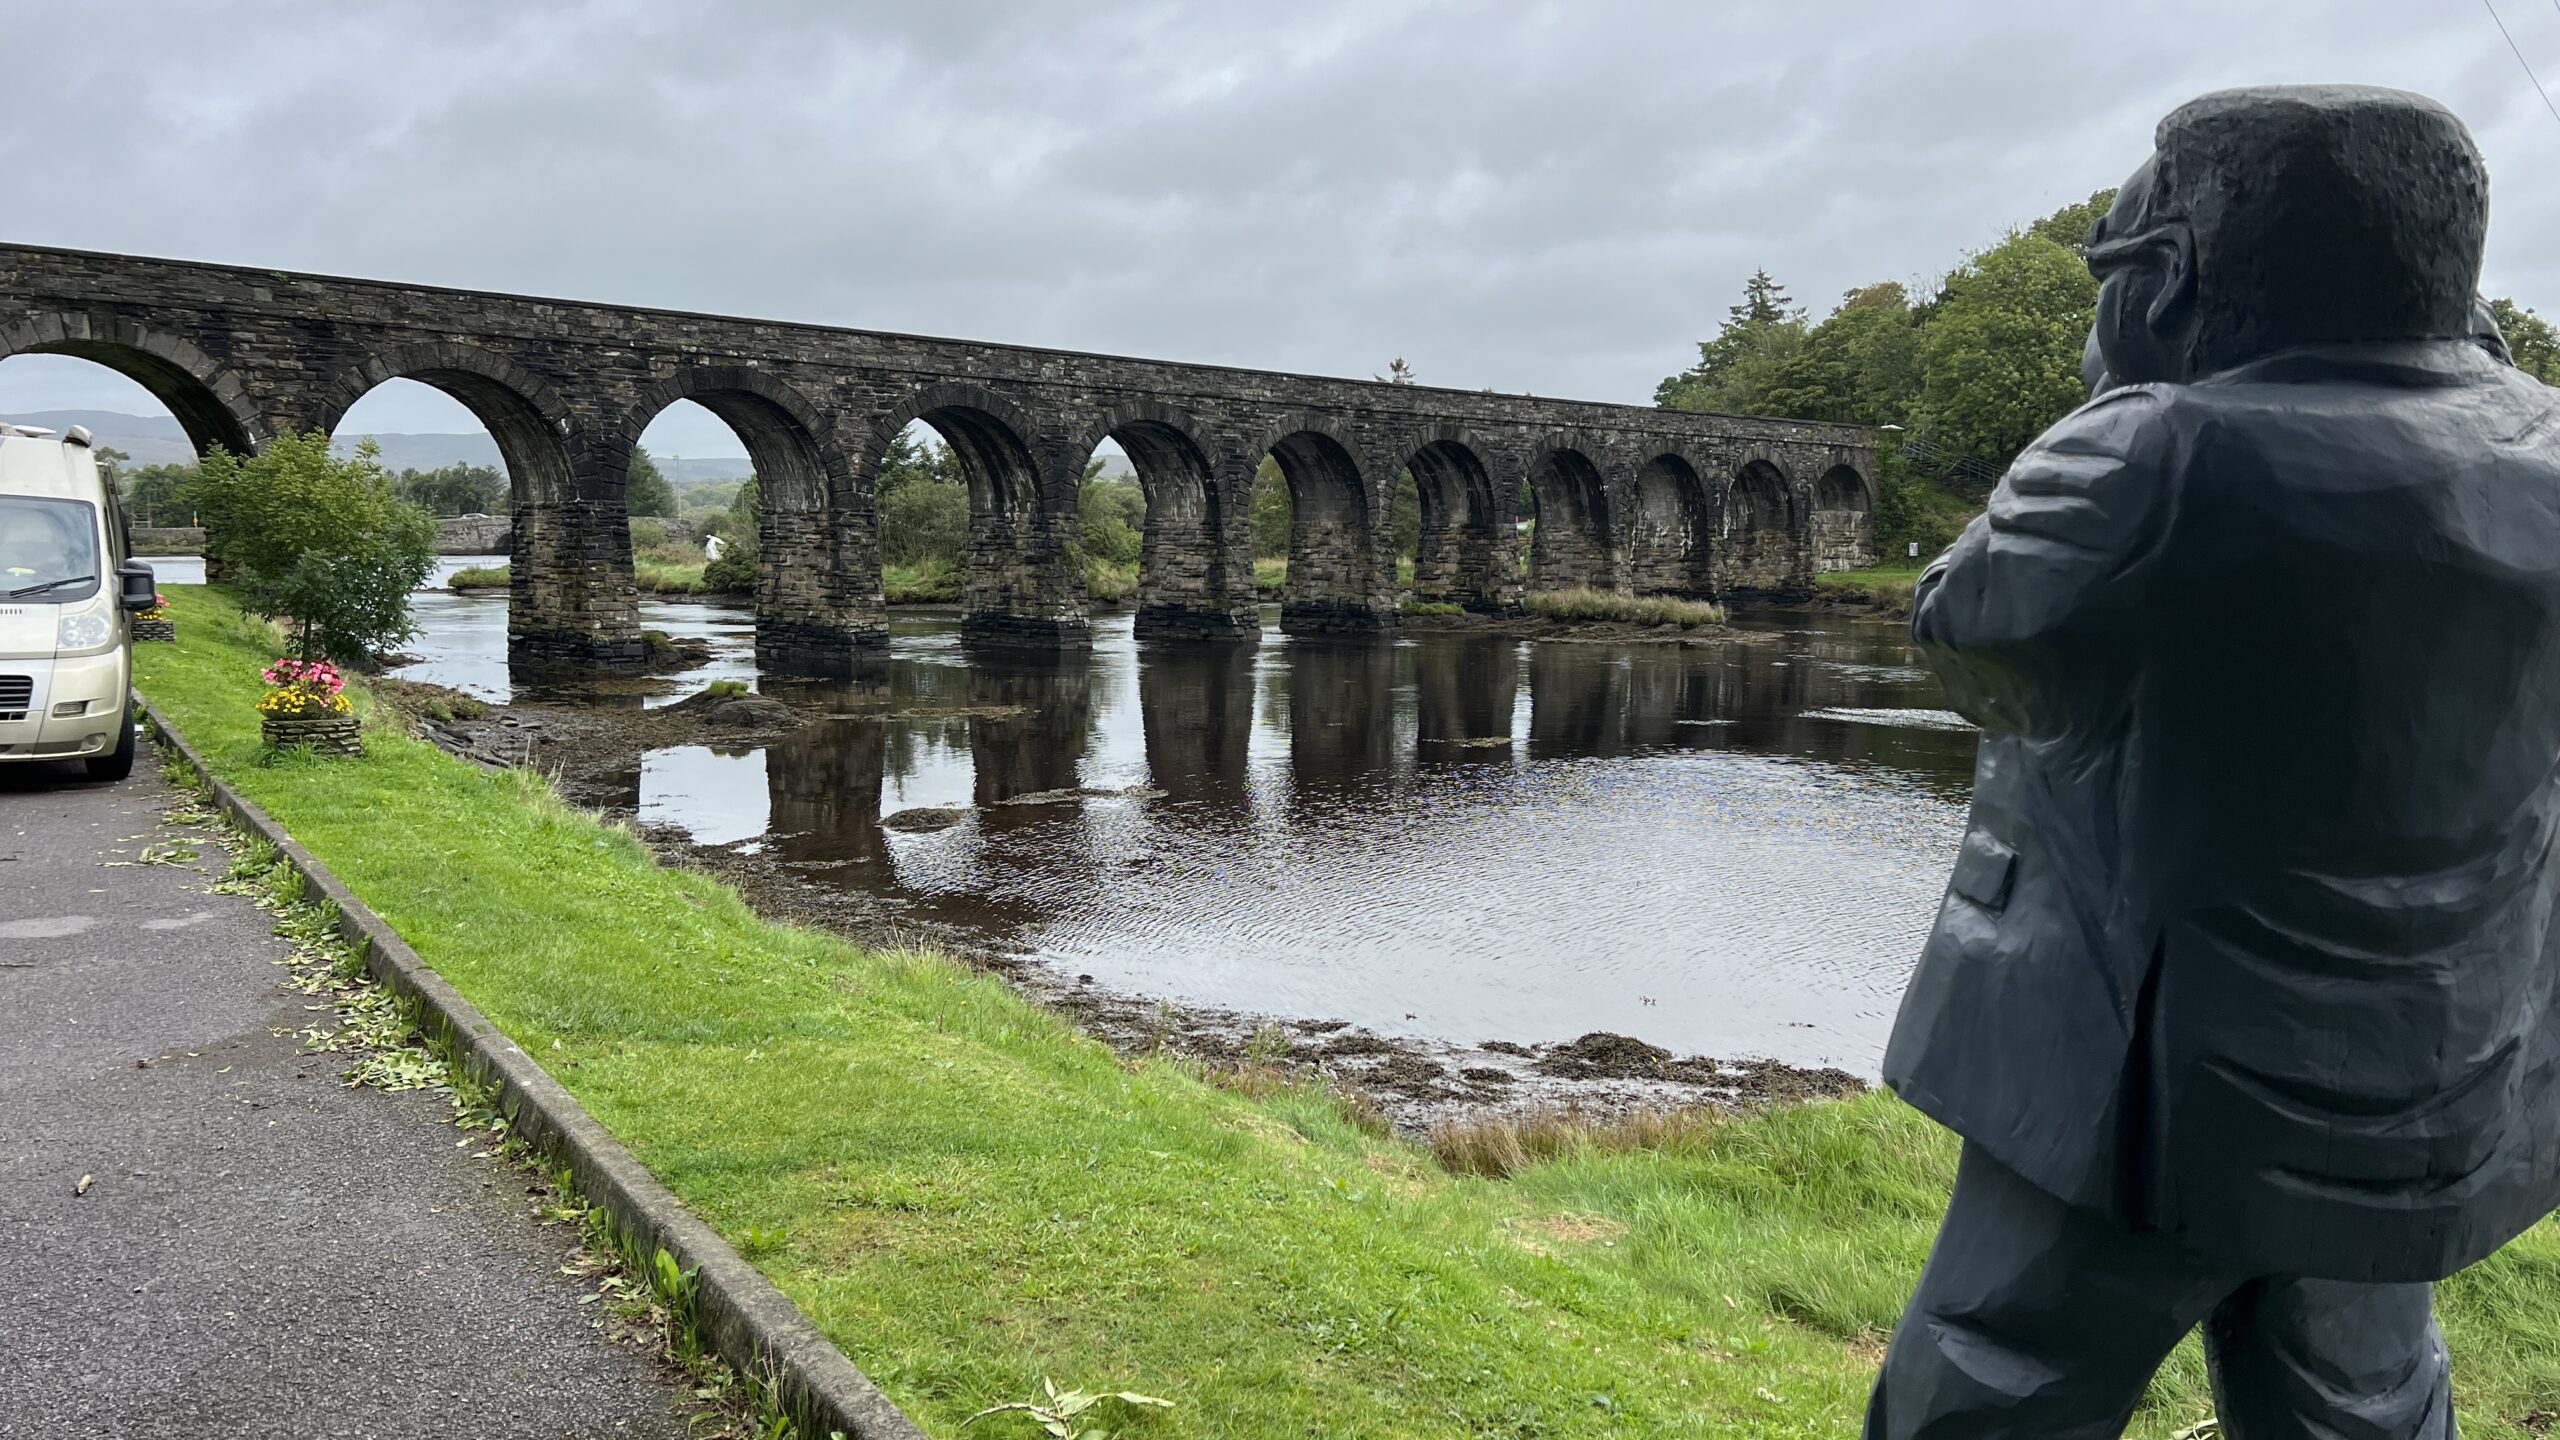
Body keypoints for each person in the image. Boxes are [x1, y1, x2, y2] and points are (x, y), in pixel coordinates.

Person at [1868, 85, 2560, 1439]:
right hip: (2428, 1067)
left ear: (2177, 273)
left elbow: (1963, 636)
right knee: (2360, 1397)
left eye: (2119, 274)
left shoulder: (2152, 454)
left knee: (1997, 1376)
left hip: (2134, 1085)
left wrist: (2125, 385)